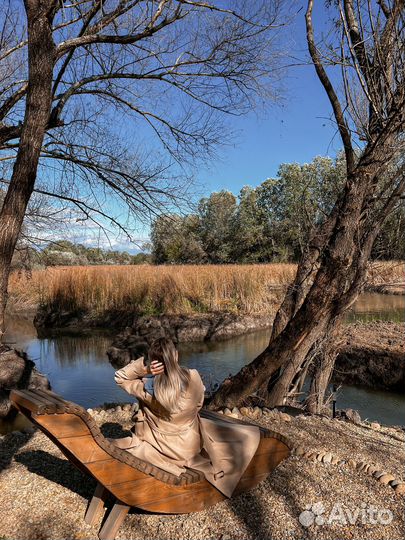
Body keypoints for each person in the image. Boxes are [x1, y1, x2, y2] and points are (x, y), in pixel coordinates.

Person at [111, 337, 260, 498]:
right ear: (175, 356)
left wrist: (146, 370)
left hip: (159, 448)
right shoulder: (193, 378)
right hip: (190, 447)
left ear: (154, 362)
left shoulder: (145, 390)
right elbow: (199, 405)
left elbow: (120, 377)